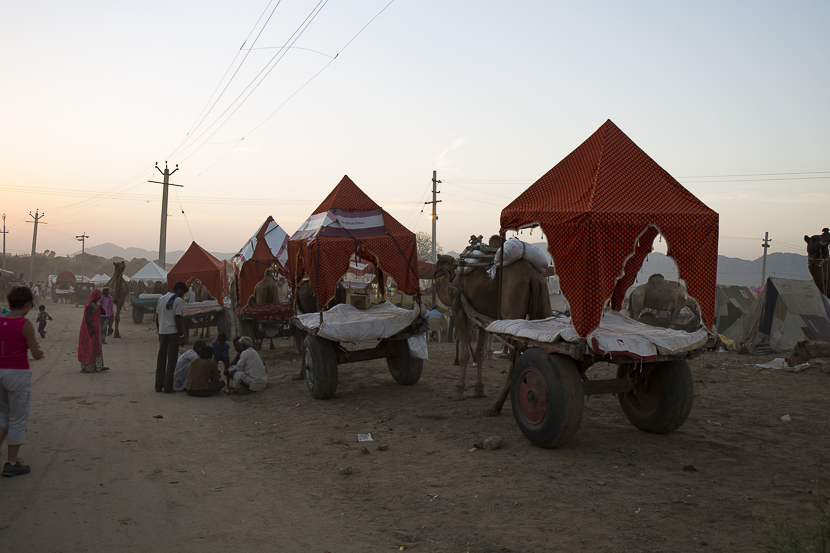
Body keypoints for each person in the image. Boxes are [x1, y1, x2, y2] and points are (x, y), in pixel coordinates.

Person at [1, 286, 44, 476]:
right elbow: (35, 354)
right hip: (17, 374)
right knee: (18, 418)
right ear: (27, 304)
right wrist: (40, 350)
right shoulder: (24, 324)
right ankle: (11, 462)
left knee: (2, 416)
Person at [155, 281, 188, 393]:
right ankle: (168, 387)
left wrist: (159, 330)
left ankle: (158, 386)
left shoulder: (161, 298)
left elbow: (157, 317)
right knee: (172, 360)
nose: (183, 295)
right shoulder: (178, 300)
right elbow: (177, 319)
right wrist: (181, 335)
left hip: (162, 331)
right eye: (183, 293)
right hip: (173, 332)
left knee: (161, 359)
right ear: (179, 290)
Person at [78, 289, 109, 373]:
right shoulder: (91, 306)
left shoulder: (96, 305)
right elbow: (87, 317)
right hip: (90, 330)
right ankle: (86, 366)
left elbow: (103, 312)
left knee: (96, 346)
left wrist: (100, 305)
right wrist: (91, 327)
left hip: (96, 329)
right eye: (99, 296)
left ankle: (98, 365)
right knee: (89, 346)